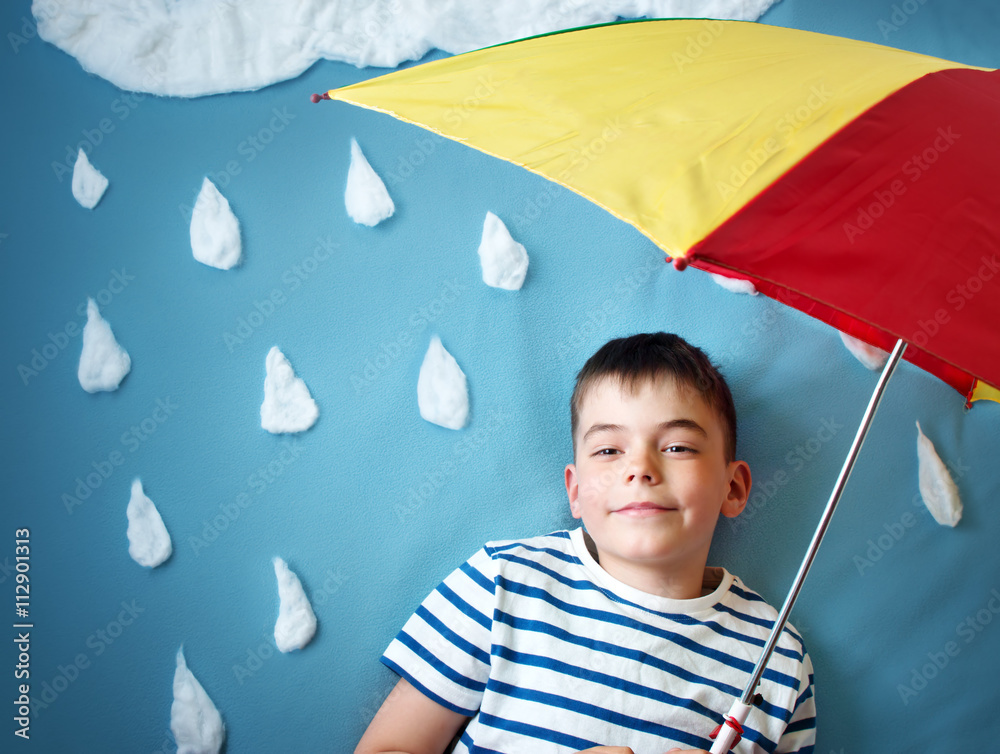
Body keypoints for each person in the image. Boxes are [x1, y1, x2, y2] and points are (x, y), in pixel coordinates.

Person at [355, 332, 816, 754]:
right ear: (575, 491)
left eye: (677, 447)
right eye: (609, 450)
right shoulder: (503, 584)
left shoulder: (777, 661)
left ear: (732, 488)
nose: (641, 468)